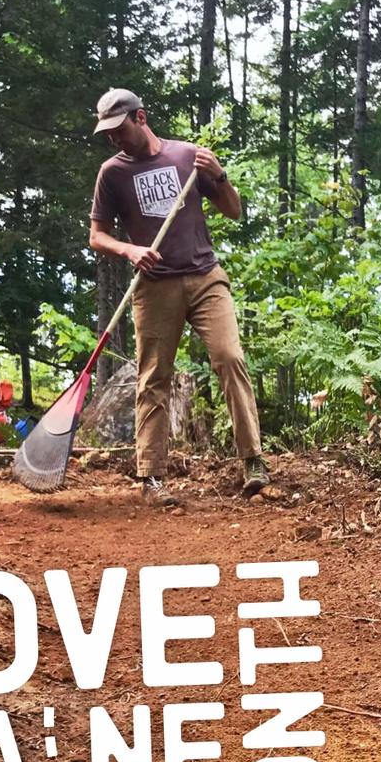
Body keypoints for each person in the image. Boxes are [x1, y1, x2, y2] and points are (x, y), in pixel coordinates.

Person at [88, 87, 269, 502]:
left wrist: (219, 174)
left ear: (141, 118)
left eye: (119, 129)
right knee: (153, 378)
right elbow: (97, 236)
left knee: (230, 358)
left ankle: (253, 460)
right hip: (155, 288)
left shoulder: (187, 156)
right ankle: (151, 477)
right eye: (108, 132)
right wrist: (129, 248)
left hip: (206, 276)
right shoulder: (111, 173)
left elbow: (233, 210)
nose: (115, 138)